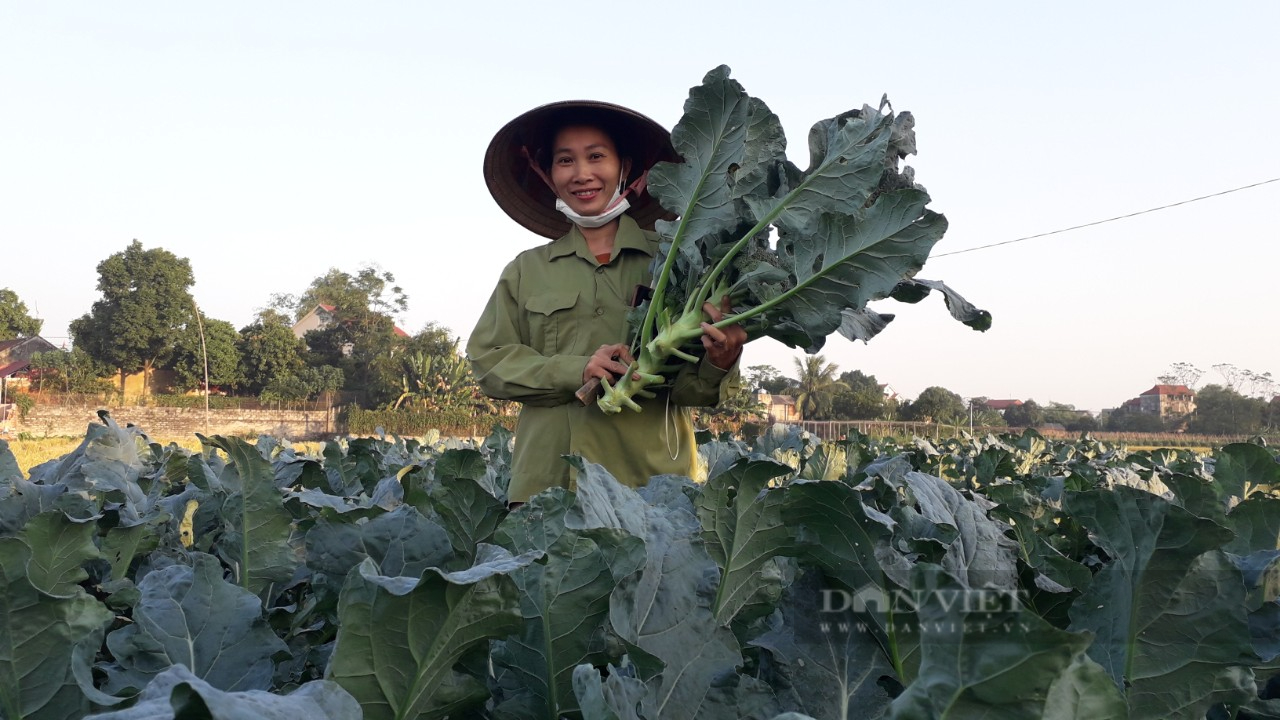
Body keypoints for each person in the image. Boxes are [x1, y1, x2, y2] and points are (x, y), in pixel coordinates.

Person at [467, 100, 746, 503]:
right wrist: (577, 370)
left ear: (625, 168)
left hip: (651, 486)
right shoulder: (526, 270)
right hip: (547, 487)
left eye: (596, 156)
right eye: (565, 161)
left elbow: (692, 393)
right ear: (549, 176)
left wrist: (720, 360)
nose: (582, 174)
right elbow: (488, 363)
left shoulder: (677, 261)